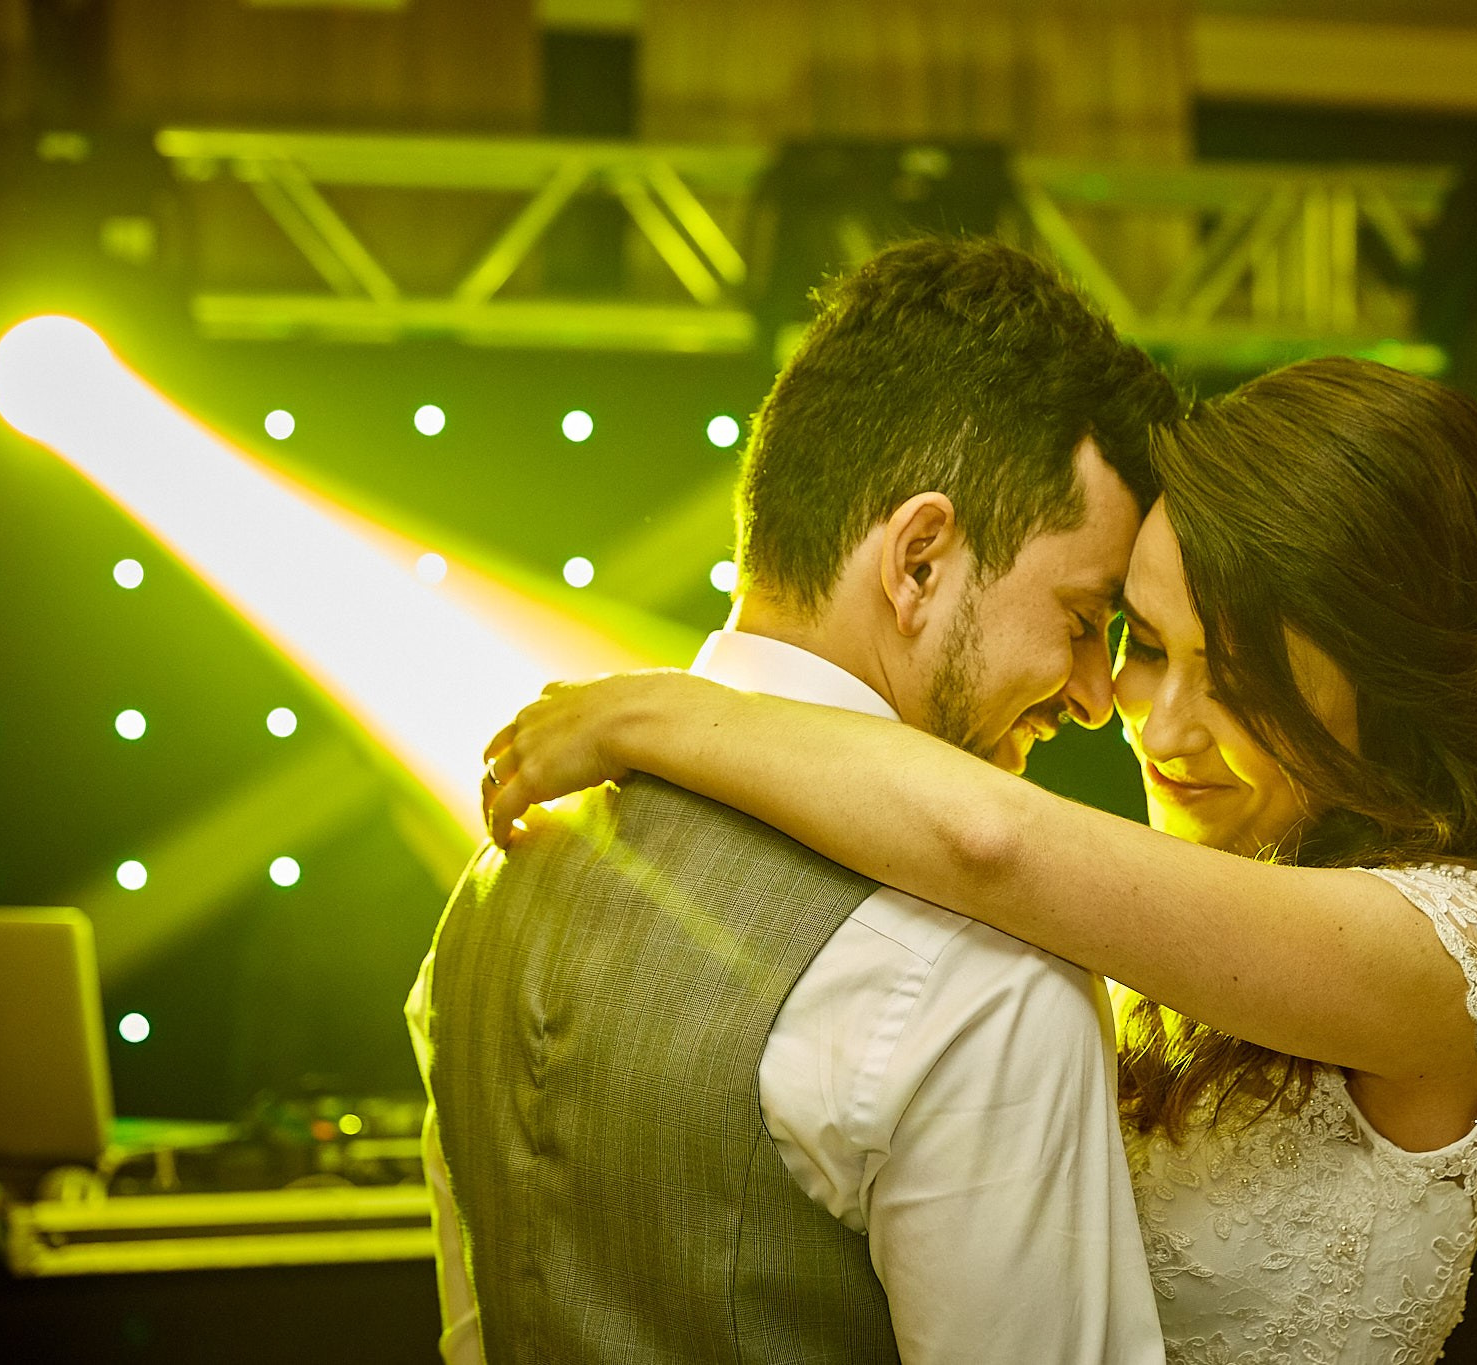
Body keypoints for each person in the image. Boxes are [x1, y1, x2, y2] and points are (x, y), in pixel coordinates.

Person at [482, 357, 1477, 1363]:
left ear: (1386, 681)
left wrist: (656, 717)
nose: (1158, 725)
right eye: (1142, 643)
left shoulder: (1450, 948)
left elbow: (988, 841)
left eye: (1238, 680)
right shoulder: (1141, 918)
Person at [405, 236, 1184, 1364]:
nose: (1094, 698)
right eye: (1079, 620)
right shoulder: (983, 970)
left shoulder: (494, 884)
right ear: (918, 561)